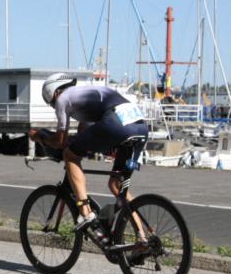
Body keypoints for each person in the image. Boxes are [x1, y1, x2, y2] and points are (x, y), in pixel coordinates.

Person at [29, 73, 149, 240]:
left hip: (116, 124)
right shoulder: (87, 95)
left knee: (69, 155)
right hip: (141, 126)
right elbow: (84, 135)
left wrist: (39, 136)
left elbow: (61, 141)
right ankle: (142, 238)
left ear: (53, 93)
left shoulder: (63, 99)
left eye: (50, 102)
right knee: (117, 186)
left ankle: (85, 212)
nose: (53, 105)